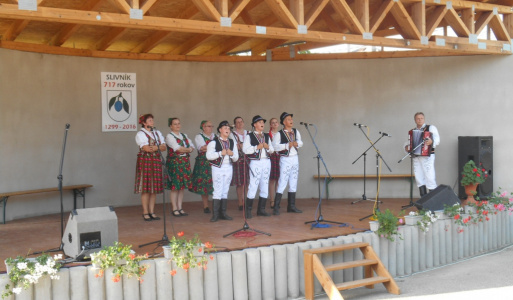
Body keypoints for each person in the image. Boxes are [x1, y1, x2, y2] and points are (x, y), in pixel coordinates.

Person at [134, 114, 167, 221]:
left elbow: (164, 147)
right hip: (146, 161)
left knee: (154, 189)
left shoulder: (157, 133)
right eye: (149, 120)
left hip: (156, 160)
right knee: (146, 188)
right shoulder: (140, 134)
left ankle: (152, 211)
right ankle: (145, 212)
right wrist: (157, 147)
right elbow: (146, 148)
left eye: (152, 120)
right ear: (144, 123)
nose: (152, 122)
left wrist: (156, 147)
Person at [206, 121, 239, 222]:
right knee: (217, 190)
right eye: (225, 128)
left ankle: (223, 213)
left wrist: (231, 154)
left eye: (228, 129)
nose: (227, 130)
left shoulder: (232, 142)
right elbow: (208, 156)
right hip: (218, 167)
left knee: (225, 190)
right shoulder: (213, 142)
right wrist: (220, 153)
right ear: (220, 130)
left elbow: (236, 158)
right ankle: (215, 214)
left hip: (228, 167)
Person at [243, 115, 274, 218]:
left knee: (264, 184)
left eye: (263, 122)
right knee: (253, 185)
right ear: (254, 124)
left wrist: (267, 147)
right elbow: (245, 150)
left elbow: (272, 150)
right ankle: (248, 210)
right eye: (259, 122)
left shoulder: (266, 136)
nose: (262, 124)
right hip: (255, 162)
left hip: (266, 162)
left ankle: (261, 209)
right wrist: (257, 147)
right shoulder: (249, 136)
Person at [272, 112, 303, 214]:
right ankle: (276, 206)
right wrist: (286, 145)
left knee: (293, 181)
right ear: (284, 122)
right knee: (282, 182)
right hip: (285, 159)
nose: (291, 121)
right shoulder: (279, 134)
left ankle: (291, 206)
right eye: (289, 119)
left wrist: (297, 143)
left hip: (295, 158)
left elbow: (301, 142)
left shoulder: (295, 131)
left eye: (291, 119)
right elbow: (275, 146)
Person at [405, 112, 440, 196]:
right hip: (416, 156)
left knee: (430, 176)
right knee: (419, 177)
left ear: (424, 119)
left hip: (427, 156)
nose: (420, 120)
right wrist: (407, 147)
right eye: (418, 118)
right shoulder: (413, 131)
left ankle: (432, 199)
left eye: (421, 118)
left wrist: (431, 142)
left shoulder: (431, 128)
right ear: (415, 120)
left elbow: (437, 139)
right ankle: (423, 199)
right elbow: (409, 143)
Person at [165, 118, 194, 217]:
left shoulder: (184, 135)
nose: (177, 125)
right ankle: (174, 208)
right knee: (175, 186)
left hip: (184, 162)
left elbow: (192, 147)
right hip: (175, 162)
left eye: (178, 123)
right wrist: (188, 149)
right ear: (171, 126)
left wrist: (186, 150)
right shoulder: (169, 136)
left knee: (182, 187)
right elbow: (177, 148)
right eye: (175, 124)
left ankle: (180, 207)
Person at [189, 120, 215, 214]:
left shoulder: (214, 136)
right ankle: (206, 205)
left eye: (211, 126)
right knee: (204, 184)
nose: (211, 128)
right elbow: (202, 148)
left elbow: (210, 147)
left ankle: (215, 204)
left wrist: (209, 147)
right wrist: (213, 147)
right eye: (208, 126)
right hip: (203, 162)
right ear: (203, 127)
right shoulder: (199, 136)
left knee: (215, 183)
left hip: (214, 161)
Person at [230, 116, 249, 210]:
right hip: (238, 159)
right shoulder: (232, 134)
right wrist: (243, 145)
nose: (240, 123)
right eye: (237, 122)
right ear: (235, 124)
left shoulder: (248, 133)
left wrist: (242, 145)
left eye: (241, 121)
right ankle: (240, 203)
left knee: (247, 182)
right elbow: (235, 146)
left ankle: (246, 200)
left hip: (248, 159)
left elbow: (250, 145)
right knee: (240, 183)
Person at [268, 117, 280, 209]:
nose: (275, 124)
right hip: (272, 157)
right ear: (270, 125)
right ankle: (272, 200)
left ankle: (277, 200)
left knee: (279, 179)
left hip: (280, 157)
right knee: (272, 179)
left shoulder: (281, 134)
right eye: (273, 123)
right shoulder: (268, 135)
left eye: (276, 122)